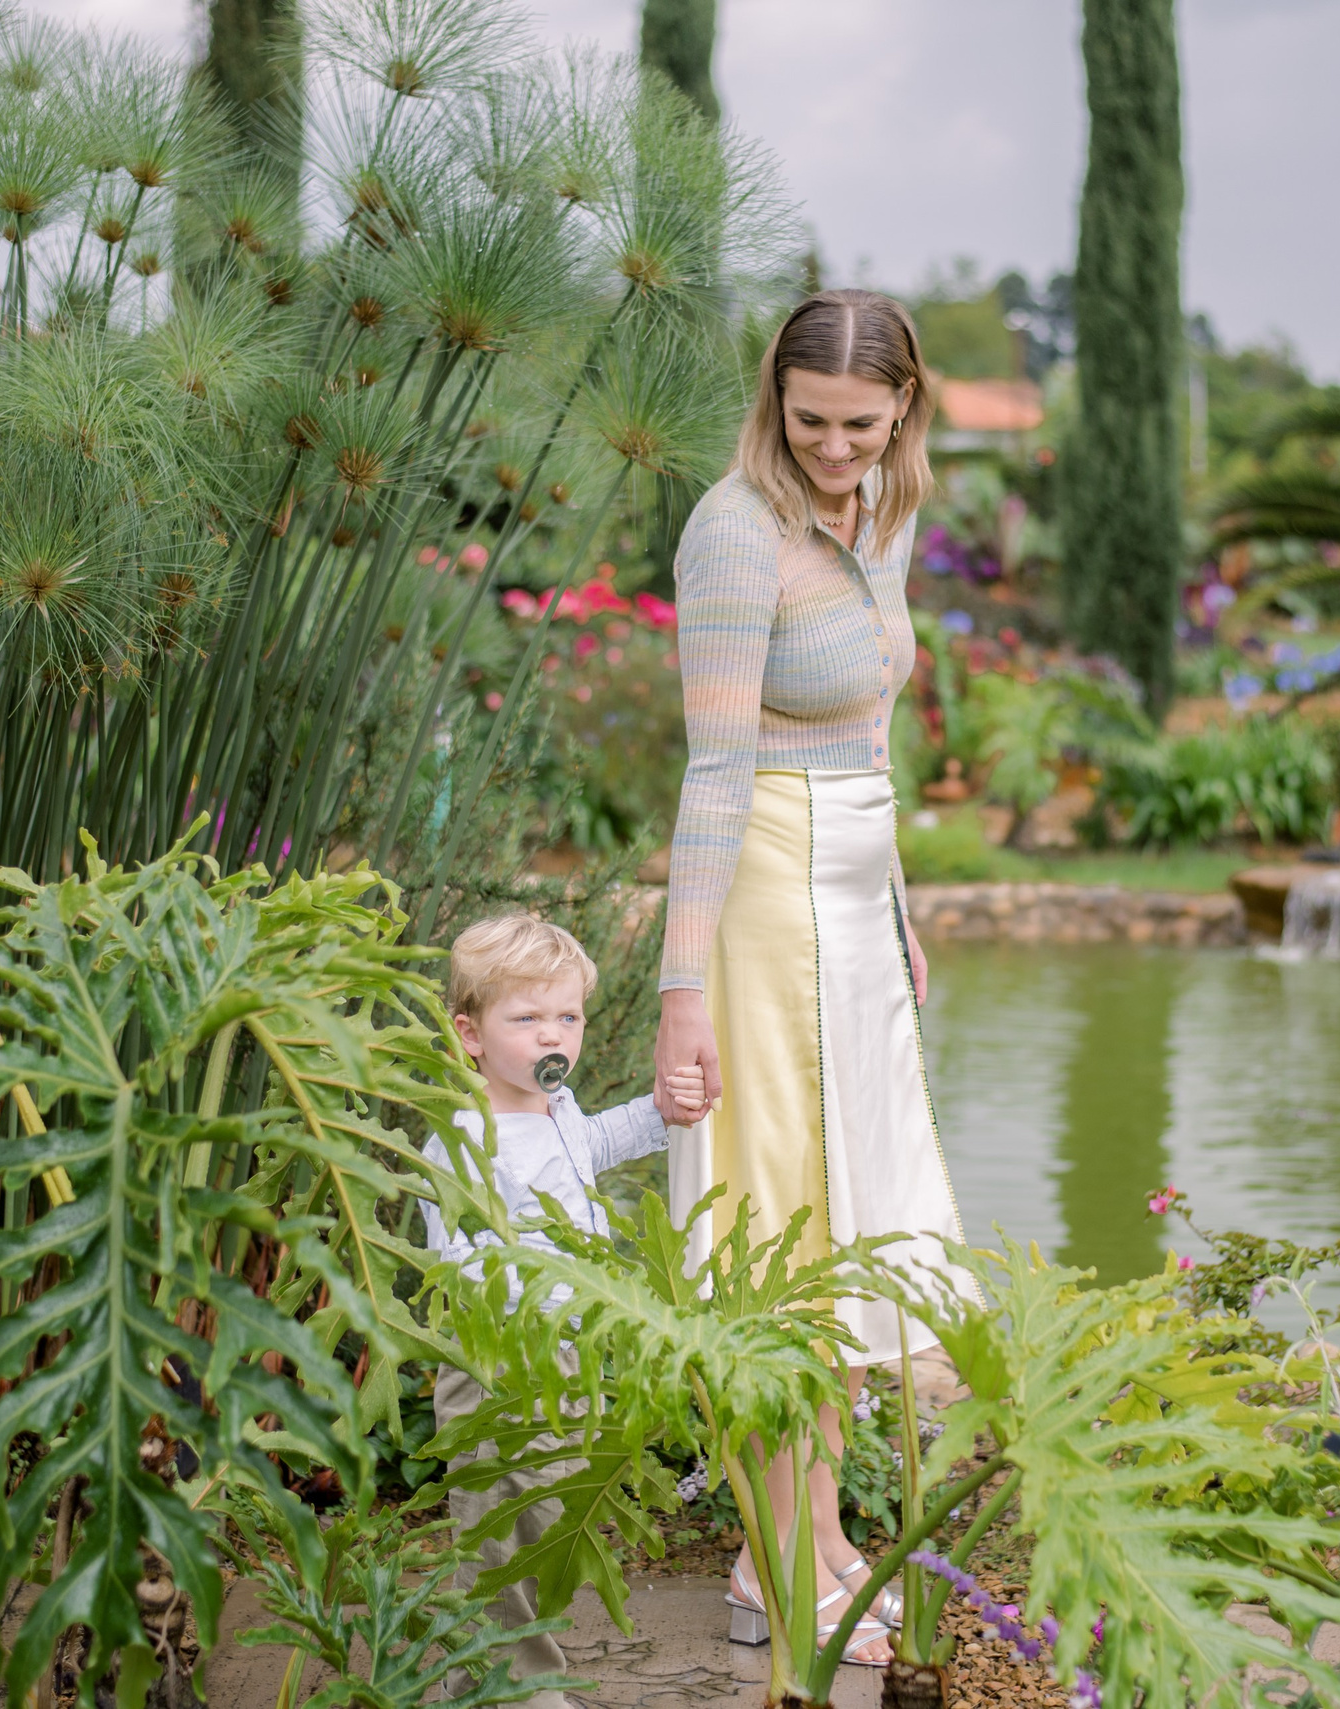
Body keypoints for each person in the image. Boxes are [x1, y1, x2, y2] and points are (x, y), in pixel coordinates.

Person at [651, 289, 975, 1669]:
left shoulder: (882, 513)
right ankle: (783, 1553)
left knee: (852, 1222)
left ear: (903, 407)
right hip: (768, 897)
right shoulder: (735, 534)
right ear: (772, 403)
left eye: (860, 423)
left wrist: (896, 908)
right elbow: (713, 778)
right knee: (777, 1224)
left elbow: (879, 738)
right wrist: (678, 994)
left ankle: (814, 1538)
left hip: (855, 888)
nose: (833, 448)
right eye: (809, 423)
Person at [423, 913, 689, 1709]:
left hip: (567, 1352)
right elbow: (459, 1257)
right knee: (501, 1514)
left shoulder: (556, 1106)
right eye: (528, 1017)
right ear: (470, 1034)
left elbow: (590, 1147)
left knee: (550, 1506)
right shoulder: (464, 1135)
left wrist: (657, 1114)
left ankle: (490, 1663)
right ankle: (514, 1682)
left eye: (568, 1016)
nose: (555, 1035)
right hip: (502, 1358)